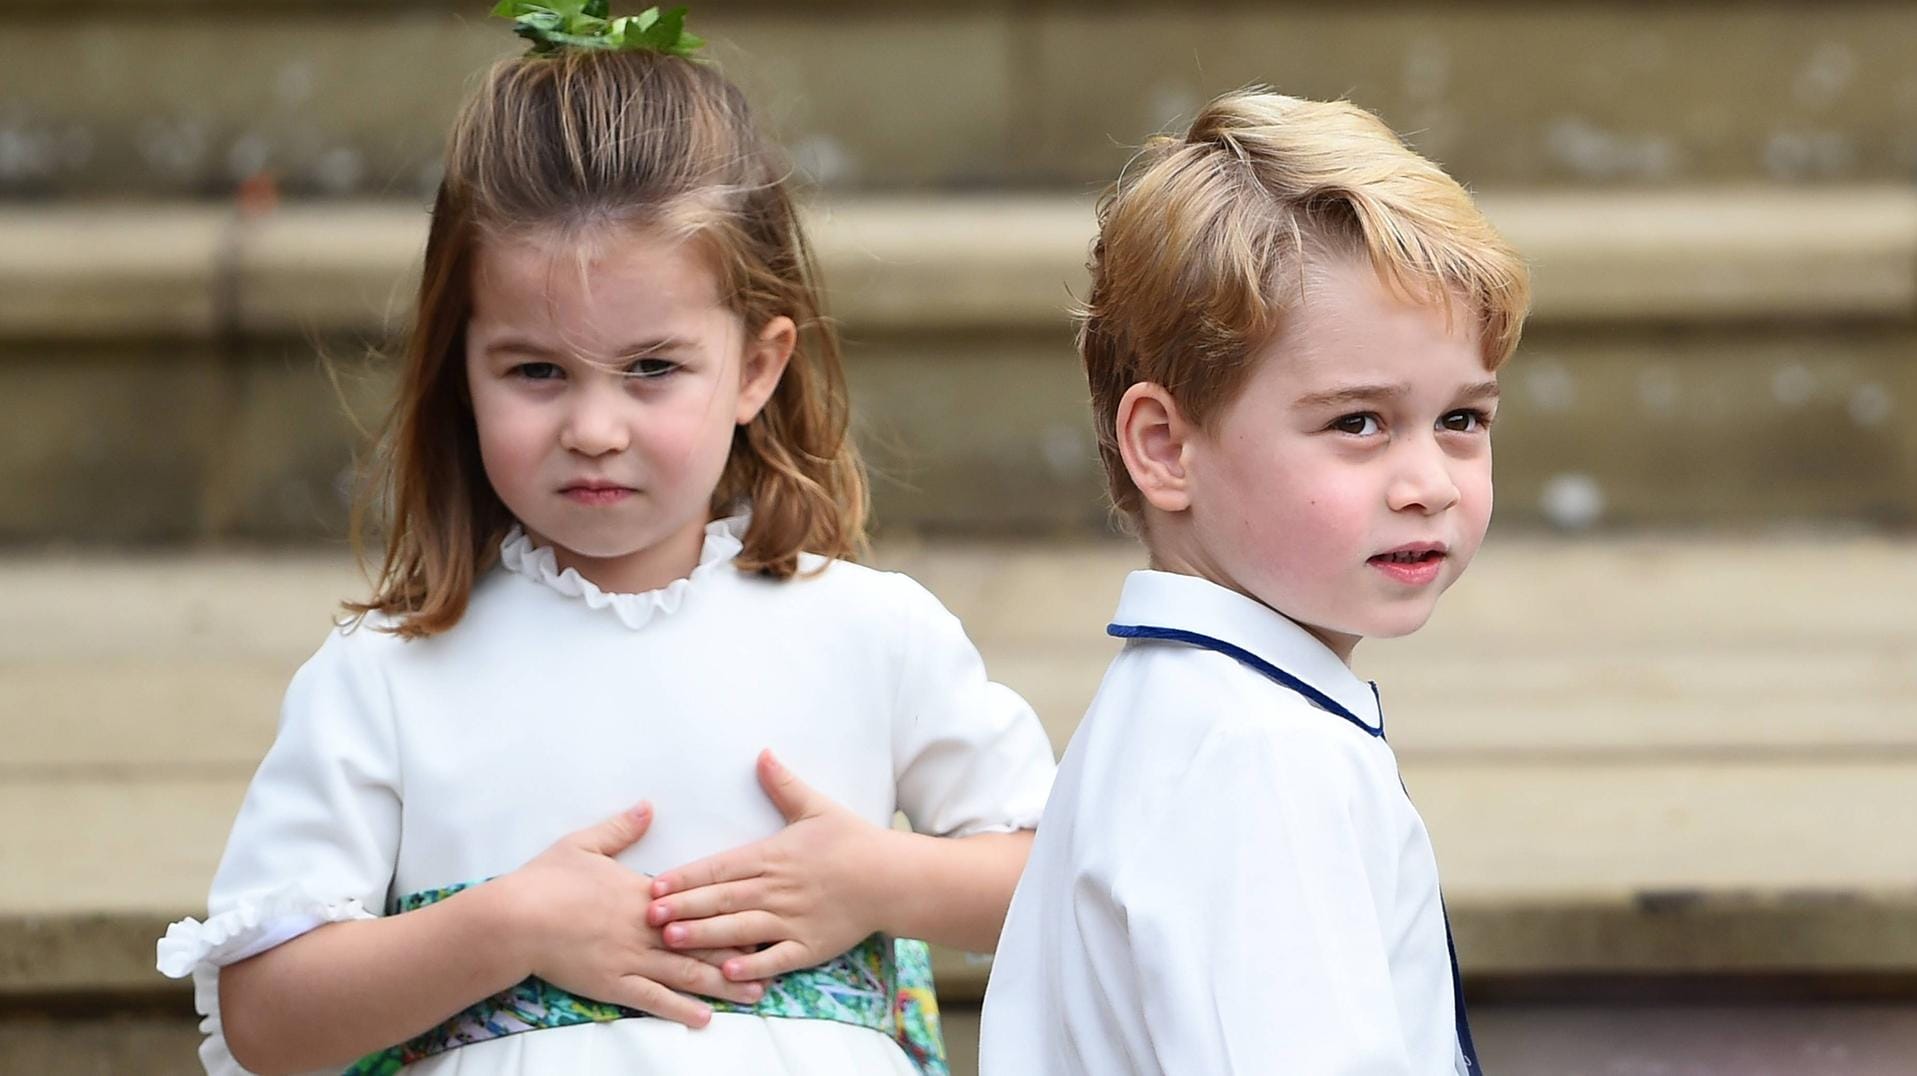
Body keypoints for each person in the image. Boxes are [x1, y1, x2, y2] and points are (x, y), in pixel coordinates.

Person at [156, 8, 1055, 1074]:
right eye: (536, 370)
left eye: (651, 369)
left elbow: (1068, 877)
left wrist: (878, 881)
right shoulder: (388, 677)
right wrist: (507, 927)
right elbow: (266, 1014)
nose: (593, 426)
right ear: (462, 368)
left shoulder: (872, 630)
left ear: (758, 369)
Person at [978, 88, 1531, 1074]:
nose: (1428, 484)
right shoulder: (1256, 756)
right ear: (1165, 447)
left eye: (1462, 419)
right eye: (1358, 422)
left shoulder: (1201, 712)